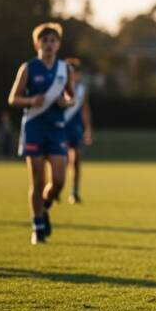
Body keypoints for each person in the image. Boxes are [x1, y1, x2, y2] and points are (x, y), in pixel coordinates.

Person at [8, 22, 75, 244]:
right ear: (37, 44)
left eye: (53, 40)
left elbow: (71, 97)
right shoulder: (28, 68)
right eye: (44, 40)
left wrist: (65, 102)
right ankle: (37, 226)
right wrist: (30, 100)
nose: (48, 44)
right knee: (37, 180)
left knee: (58, 181)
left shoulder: (66, 70)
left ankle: (44, 208)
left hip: (56, 129)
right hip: (34, 128)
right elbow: (13, 98)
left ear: (58, 44)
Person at [63, 58, 93, 204]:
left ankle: (74, 192)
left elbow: (85, 109)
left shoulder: (81, 89)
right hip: (60, 126)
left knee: (76, 160)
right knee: (59, 160)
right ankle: (55, 190)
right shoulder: (58, 87)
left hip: (75, 127)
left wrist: (87, 129)